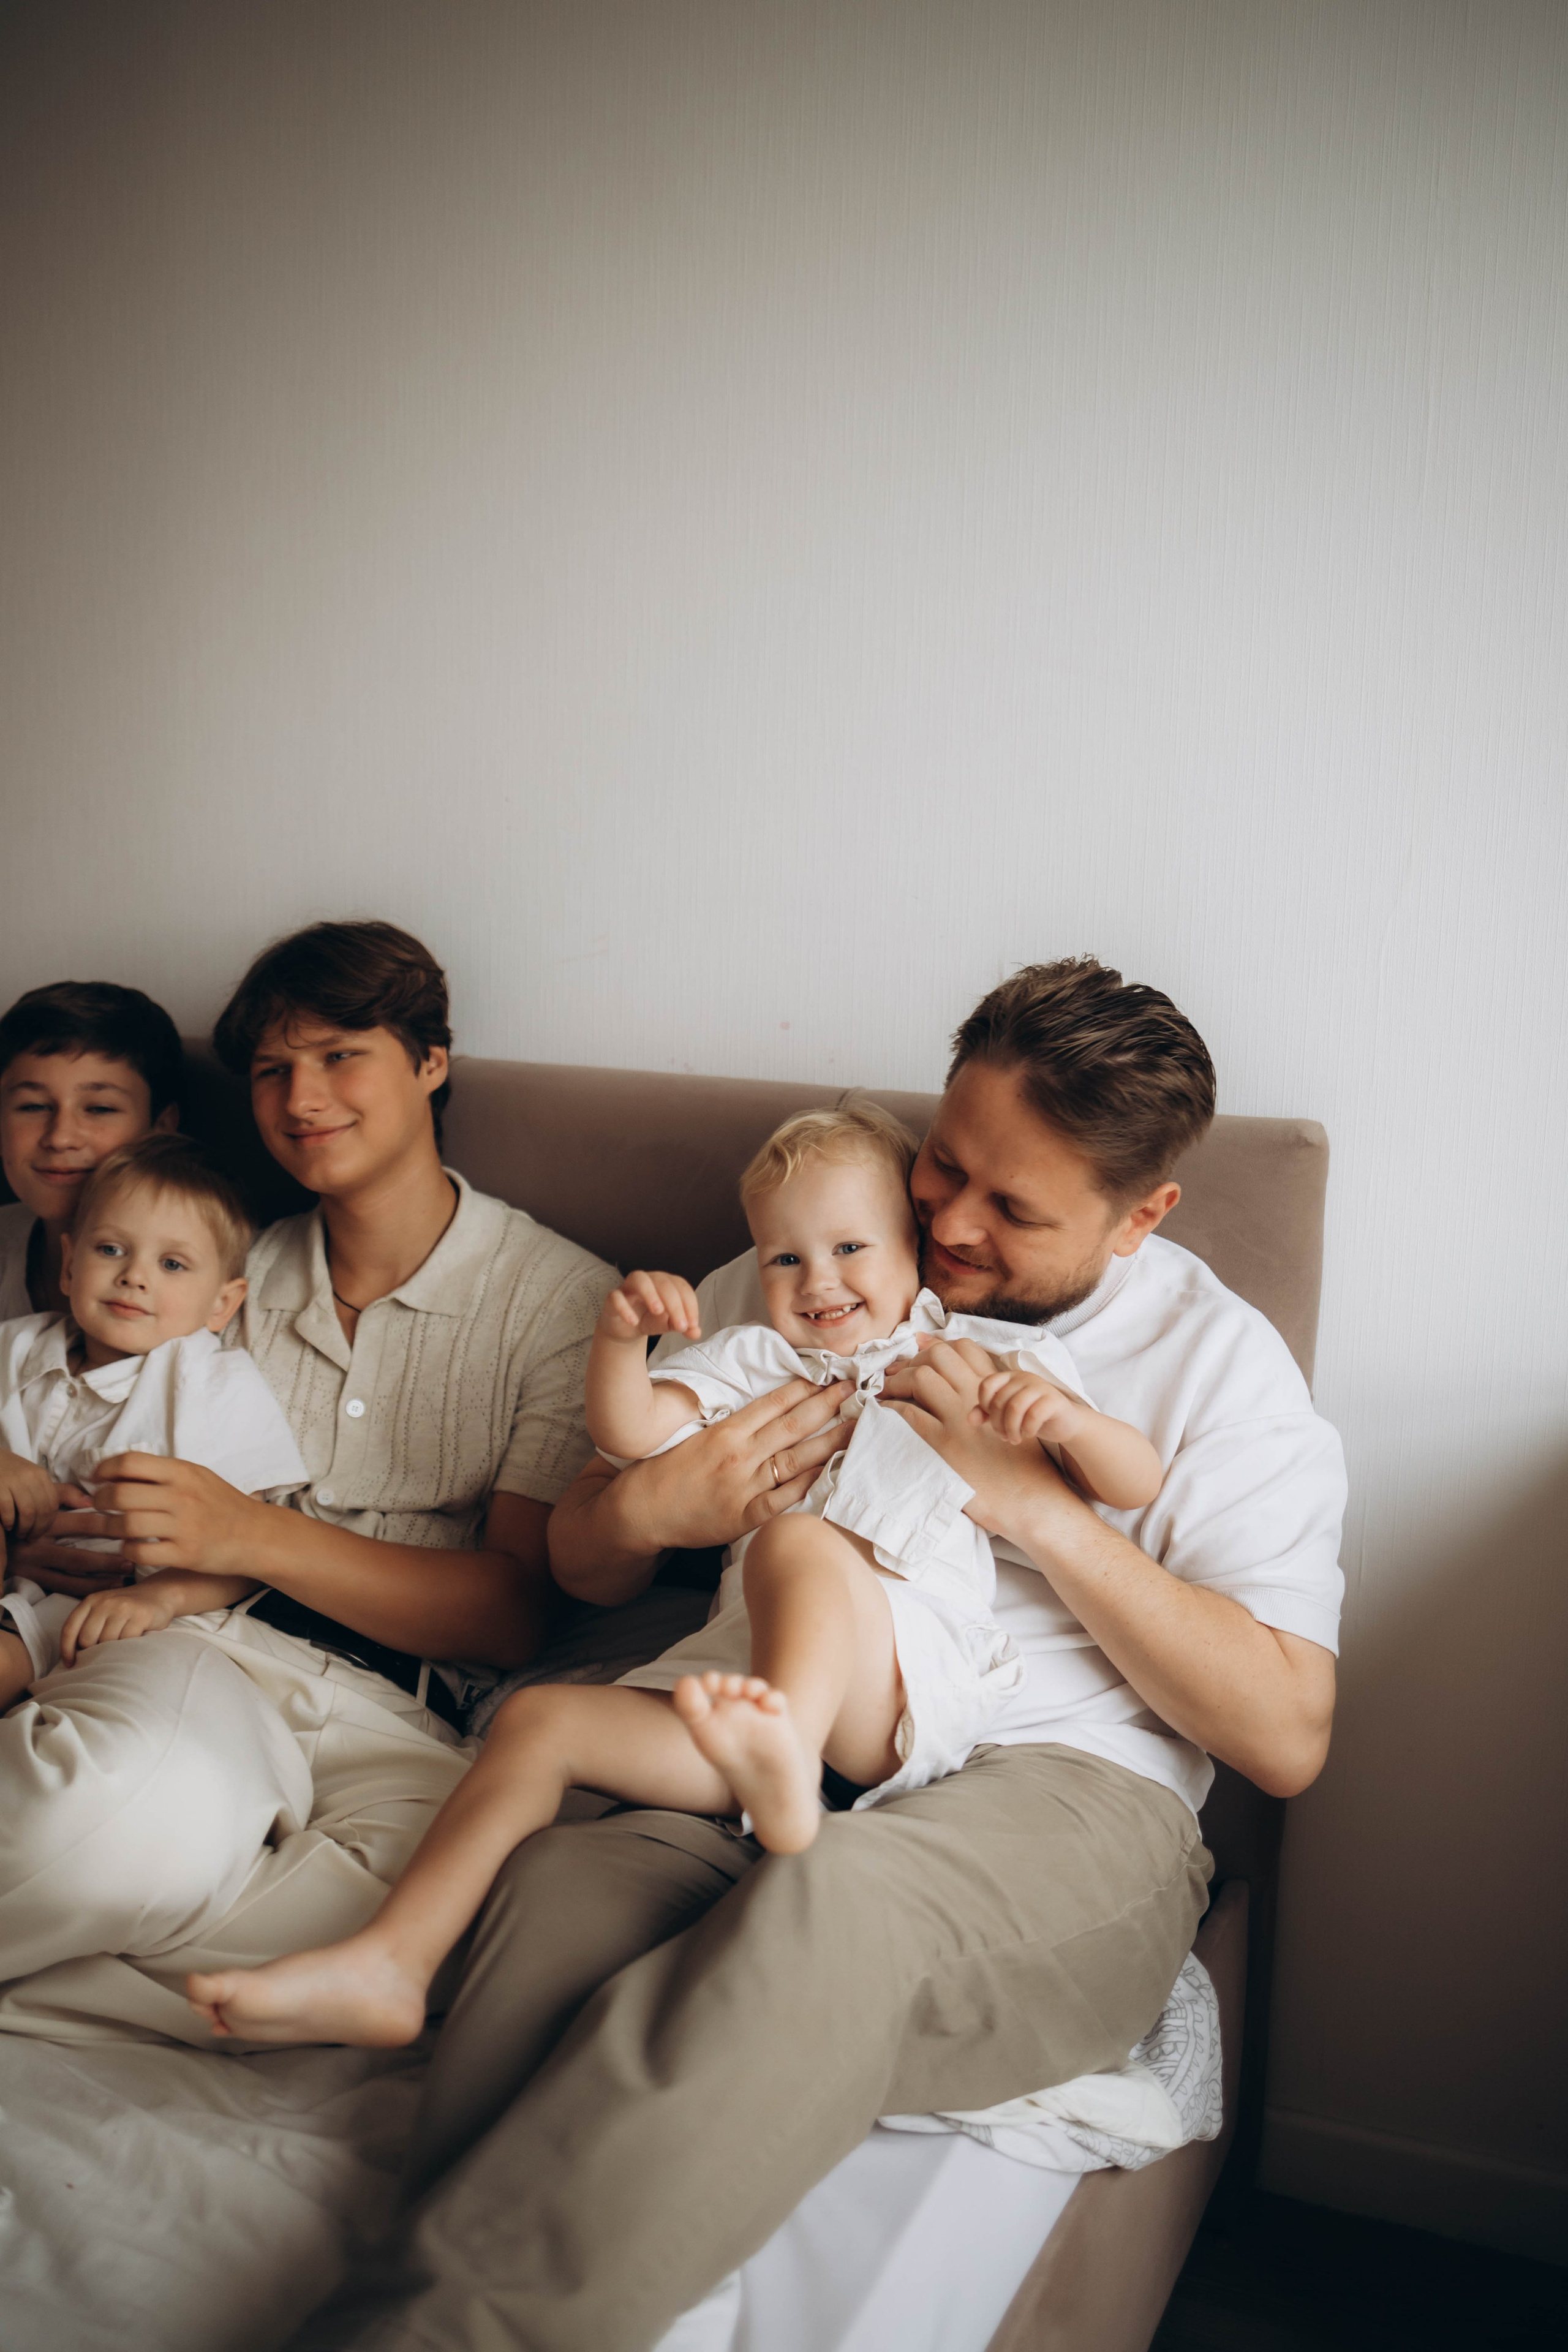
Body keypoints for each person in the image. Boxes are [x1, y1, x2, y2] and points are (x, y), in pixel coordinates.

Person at [287, 955, 1348, 2352]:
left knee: (829, 1912)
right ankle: (443, 2264)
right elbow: (581, 1558)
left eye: (1010, 1205)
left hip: (1052, 1775)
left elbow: (1284, 1733)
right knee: (557, 1897)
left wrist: (1025, 1502)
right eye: (944, 1162)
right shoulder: (828, 1251)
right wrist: (657, 1506)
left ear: (1140, 1212)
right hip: (777, 1706)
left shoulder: (1219, 1368)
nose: (949, 1223)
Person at [183, 1102, 1160, 2047]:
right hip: (738, 1703)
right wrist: (621, 1339)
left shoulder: (982, 1355)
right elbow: (632, 1430)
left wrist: (1070, 1424)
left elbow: (1134, 1479)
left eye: (851, 1248)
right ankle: (391, 1965)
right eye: (786, 1257)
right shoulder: (757, 1358)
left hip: (897, 1692)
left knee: (797, 1545)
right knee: (540, 1723)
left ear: (915, 1245)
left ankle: (783, 1755)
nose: (818, 1278)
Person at [0, 920, 617, 2048]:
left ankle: (68, 1978)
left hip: (414, 1725)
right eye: (274, 1072)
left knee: (436, 1949)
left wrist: (250, 1532)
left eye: (341, 1056)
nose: (301, 1099)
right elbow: (63, 1412)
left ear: (432, 1063)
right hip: (213, 1652)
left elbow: (514, 1612)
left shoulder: (562, 1299)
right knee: (109, 1819)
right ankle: (112, 1905)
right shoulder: (213, 1268)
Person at [0, 1134, 306, 1704]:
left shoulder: (210, 1384)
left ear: (223, 1304)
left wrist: (159, 1599)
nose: (135, 1276)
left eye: (172, 1264)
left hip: (88, 1607)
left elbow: (249, 1553)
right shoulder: (15, 1347)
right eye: (111, 1250)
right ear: (69, 1265)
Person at [0, 981, 183, 1319]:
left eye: (100, 1109)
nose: (60, 1138)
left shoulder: (205, 1272)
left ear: (162, 1127)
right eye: (33, 1107)